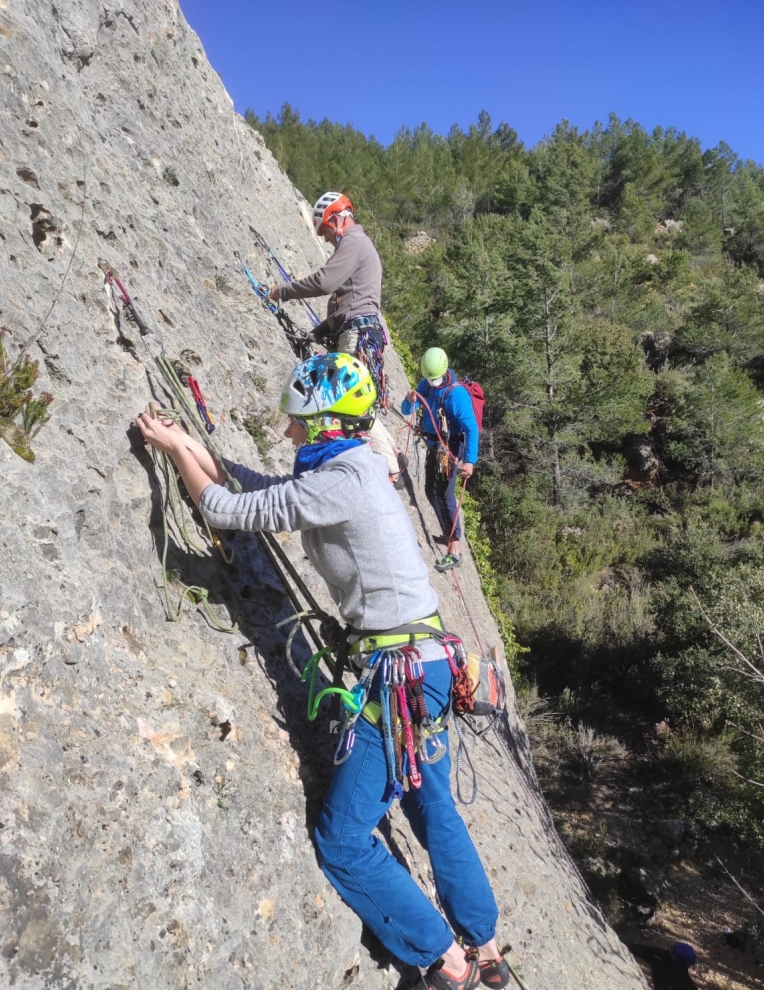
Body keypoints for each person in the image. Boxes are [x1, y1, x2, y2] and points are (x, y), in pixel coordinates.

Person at [136, 352, 505, 990]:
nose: (287, 431)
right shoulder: (355, 466)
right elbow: (259, 488)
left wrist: (171, 450)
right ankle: (487, 946)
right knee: (431, 804)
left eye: (296, 421)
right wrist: (191, 443)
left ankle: (447, 962)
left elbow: (226, 510)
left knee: (342, 841)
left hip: (399, 678)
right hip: (429, 666)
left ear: (323, 422)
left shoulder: (340, 481)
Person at [268, 191, 407, 488]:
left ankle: (389, 465)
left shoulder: (354, 242)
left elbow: (325, 282)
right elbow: (349, 301)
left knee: (348, 403)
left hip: (356, 333)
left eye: (327, 231)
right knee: (356, 401)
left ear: (336, 218)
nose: (327, 238)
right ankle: (392, 452)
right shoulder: (359, 245)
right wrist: (319, 332)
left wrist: (283, 291)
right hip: (358, 330)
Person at [402, 347, 479, 572]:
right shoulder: (427, 384)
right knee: (430, 491)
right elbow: (407, 409)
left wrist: (469, 461)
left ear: (444, 371)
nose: (432, 383)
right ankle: (448, 533)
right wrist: (409, 400)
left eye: (434, 379)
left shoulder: (456, 395)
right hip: (434, 446)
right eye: (428, 379)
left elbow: (471, 428)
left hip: (450, 448)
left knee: (445, 495)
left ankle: (454, 550)